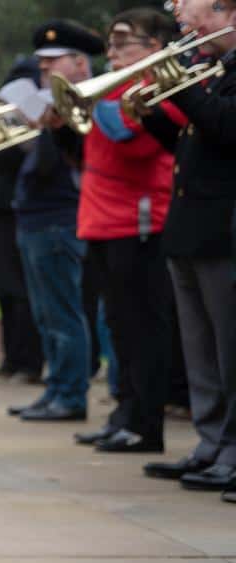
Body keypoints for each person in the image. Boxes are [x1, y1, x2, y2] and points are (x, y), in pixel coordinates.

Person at [69, 9, 183, 454]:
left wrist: (92, 103)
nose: (111, 53)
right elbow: (87, 150)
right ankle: (124, 413)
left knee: (142, 329)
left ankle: (146, 424)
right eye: (111, 44)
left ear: (153, 47)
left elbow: (130, 142)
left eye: (122, 43)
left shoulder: (159, 86)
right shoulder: (115, 89)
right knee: (117, 327)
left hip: (137, 220)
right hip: (100, 219)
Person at [134, 0, 236, 496]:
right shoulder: (214, 69)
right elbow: (193, 143)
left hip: (224, 229)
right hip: (192, 226)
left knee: (229, 349)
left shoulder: (222, 74)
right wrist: (152, 111)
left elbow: (227, 128)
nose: (191, 28)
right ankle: (211, 442)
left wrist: (187, 86)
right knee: (201, 349)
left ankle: (231, 449)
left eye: (201, 18)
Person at [7, 21, 102, 423]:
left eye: (52, 62)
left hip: (59, 217)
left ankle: (70, 394)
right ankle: (56, 389)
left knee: (64, 313)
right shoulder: (52, 102)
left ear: (80, 62)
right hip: (37, 216)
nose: (43, 70)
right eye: (41, 64)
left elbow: (67, 163)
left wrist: (47, 127)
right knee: (47, 315)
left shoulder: (84, 101)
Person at [0, 57, 45, 385]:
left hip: (18, 209)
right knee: (6, 291)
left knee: (22, 293)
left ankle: (29, 361)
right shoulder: (5, 119)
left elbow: (28, 158)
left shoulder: (30, 120)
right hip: (0, 209)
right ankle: (11, 357)